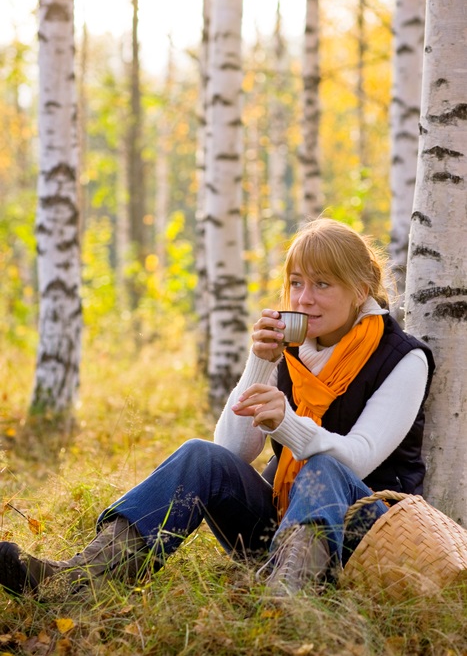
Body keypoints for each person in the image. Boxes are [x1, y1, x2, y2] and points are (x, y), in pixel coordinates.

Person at [0, 218, 435, 600]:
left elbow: (357, 459)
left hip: (366, 532)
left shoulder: (403, 358)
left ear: (360, 290)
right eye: (297, 282)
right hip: (282, 529)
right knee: (200, 455)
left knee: (324, 468)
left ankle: (290, 602)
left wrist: (287, 424)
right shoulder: (294, 347)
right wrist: (261, 362)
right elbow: (232, 449)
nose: (303, 298)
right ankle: (77, 580)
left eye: (322, 284)